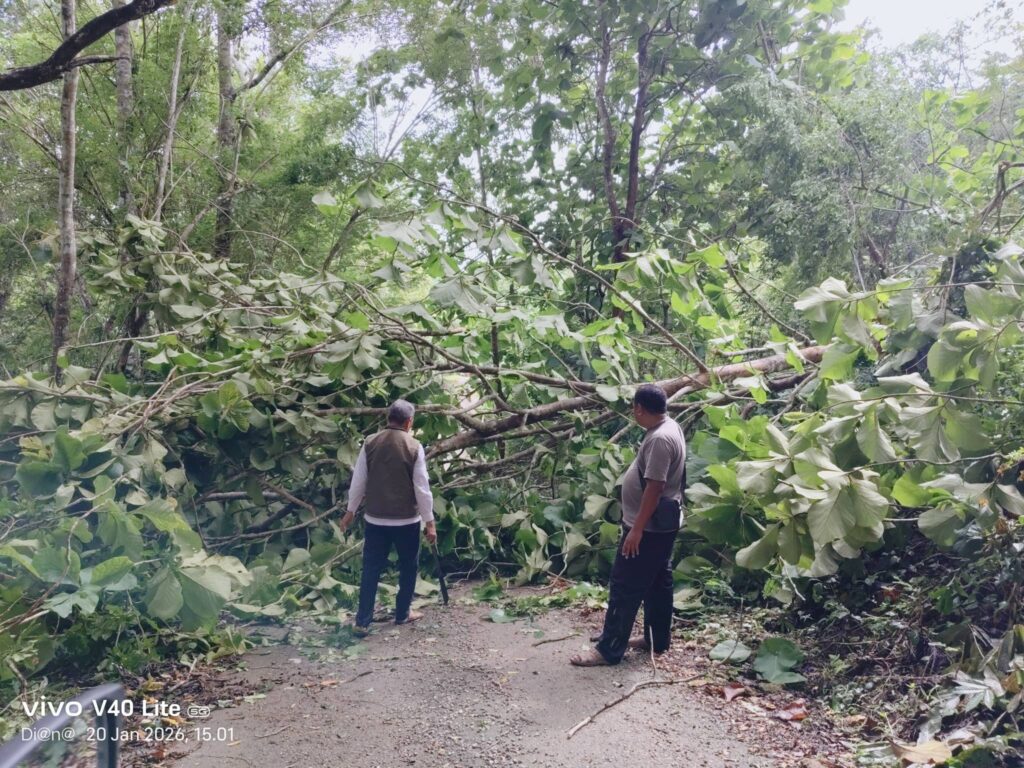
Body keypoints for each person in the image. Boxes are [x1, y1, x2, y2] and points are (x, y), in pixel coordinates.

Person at [571, 383, 686, 666]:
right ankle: (655, 639)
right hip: (662, 525)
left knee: (625, 585)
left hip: (647, 529)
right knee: (658, 583)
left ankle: (609, 649)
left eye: (634, 409)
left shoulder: (660, 439)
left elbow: (654, 488)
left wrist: (636, 529)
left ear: (639, 409)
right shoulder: (671, 426)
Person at [340, 399, 436, 637]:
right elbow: (422, 489)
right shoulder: (414, 446)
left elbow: (359, 480)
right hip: (406, 521)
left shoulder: (370, 442)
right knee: (407, 567)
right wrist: (430, 522)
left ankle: (362, 621)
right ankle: (402, 613)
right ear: (409, 422)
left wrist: (350, 511)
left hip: (375, 519)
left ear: (387, 418)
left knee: (371, 569)